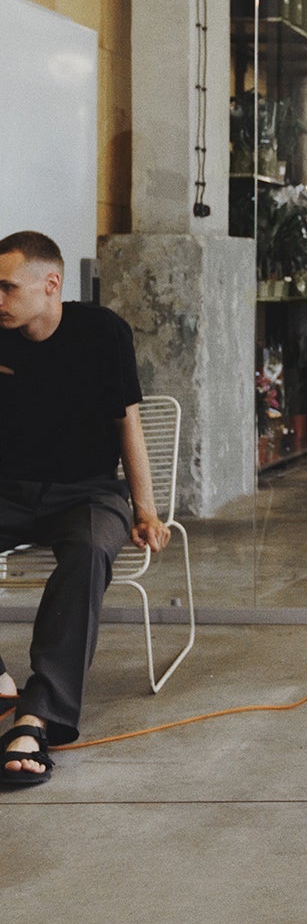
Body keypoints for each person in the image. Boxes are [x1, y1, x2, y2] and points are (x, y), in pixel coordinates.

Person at [0, 232, 170, 786]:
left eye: (6, 288)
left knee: (90, 551)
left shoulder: (101, 332)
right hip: (11, 488)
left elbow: (127, 422)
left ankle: (36, 716)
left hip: (89, 491)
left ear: (50, 284)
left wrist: (145, 509)